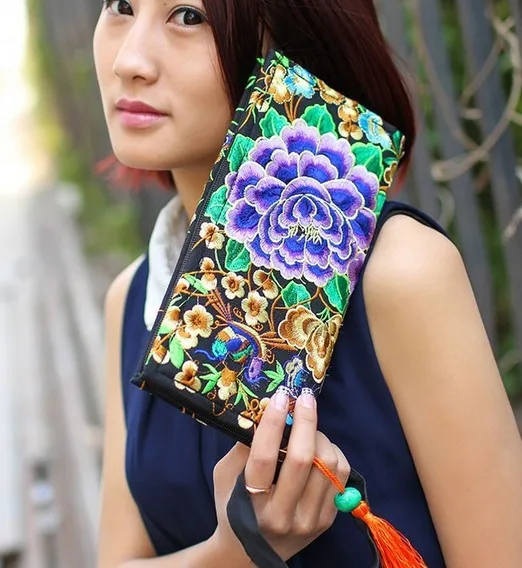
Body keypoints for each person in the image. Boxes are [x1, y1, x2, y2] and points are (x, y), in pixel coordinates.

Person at [93, 1, 522, 567]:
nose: (129, 60)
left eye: (189, 17)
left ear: (290, 41)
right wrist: (233, 554)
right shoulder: (131, 300)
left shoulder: (404, 275)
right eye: (121, 5)